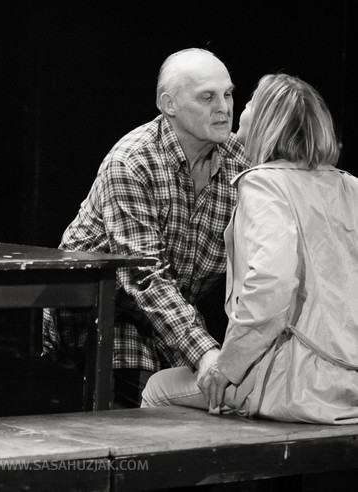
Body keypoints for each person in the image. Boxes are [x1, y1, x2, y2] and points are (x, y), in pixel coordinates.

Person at [141, 73, 358, 424]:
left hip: (296, 382)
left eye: (248, 103)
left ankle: (210, 472)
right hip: (350, 382)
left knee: (159, 388)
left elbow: (270, 283)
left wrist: (227, 367)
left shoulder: (264, 184)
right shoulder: (349, 186)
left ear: (266, 121)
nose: (234, 110)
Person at [43, 48, 249, 408]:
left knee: (214, 407)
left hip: (172, 312)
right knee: (141, 414)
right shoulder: (133, 161)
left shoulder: (238, 161)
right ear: (168, 104)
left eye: (228, 94)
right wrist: (204, 353)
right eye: (207, 97)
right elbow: (144, 276)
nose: (224, 107)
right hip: (106, 311)